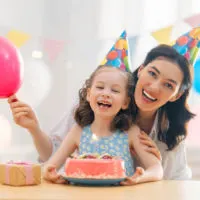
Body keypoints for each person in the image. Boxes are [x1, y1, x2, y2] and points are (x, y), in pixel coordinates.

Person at [8, 28, 200, 180]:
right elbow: (53, 157)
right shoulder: (94, 106)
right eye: (152, 73)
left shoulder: (171, 128)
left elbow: (174, 181)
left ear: (176, 95)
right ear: (141, 70)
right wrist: (34, 129)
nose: (155, 87)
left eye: (168, 85)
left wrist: (151, 162)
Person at [43, 64, 163, 185]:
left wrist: (141, 177)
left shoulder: (131, 132)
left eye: (115, 90)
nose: (106, 94)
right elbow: (49, 166)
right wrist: (50, 174)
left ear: (125, 102)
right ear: (89, 95)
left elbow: (156, 169)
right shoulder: (78, 131)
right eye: (100, 87)